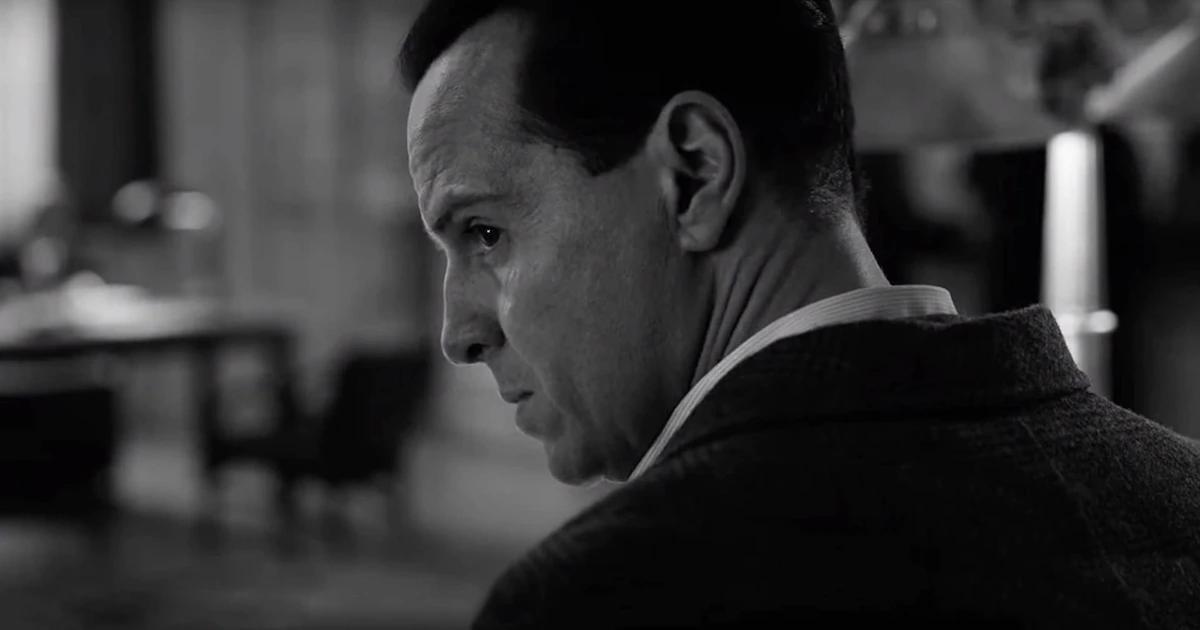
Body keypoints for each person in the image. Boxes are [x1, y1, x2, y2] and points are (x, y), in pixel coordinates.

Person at [399, 1, 1200, 627]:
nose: (458, 333)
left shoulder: (613, 594)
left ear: (694, 173)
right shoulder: (1180, 494)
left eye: (486, 233)